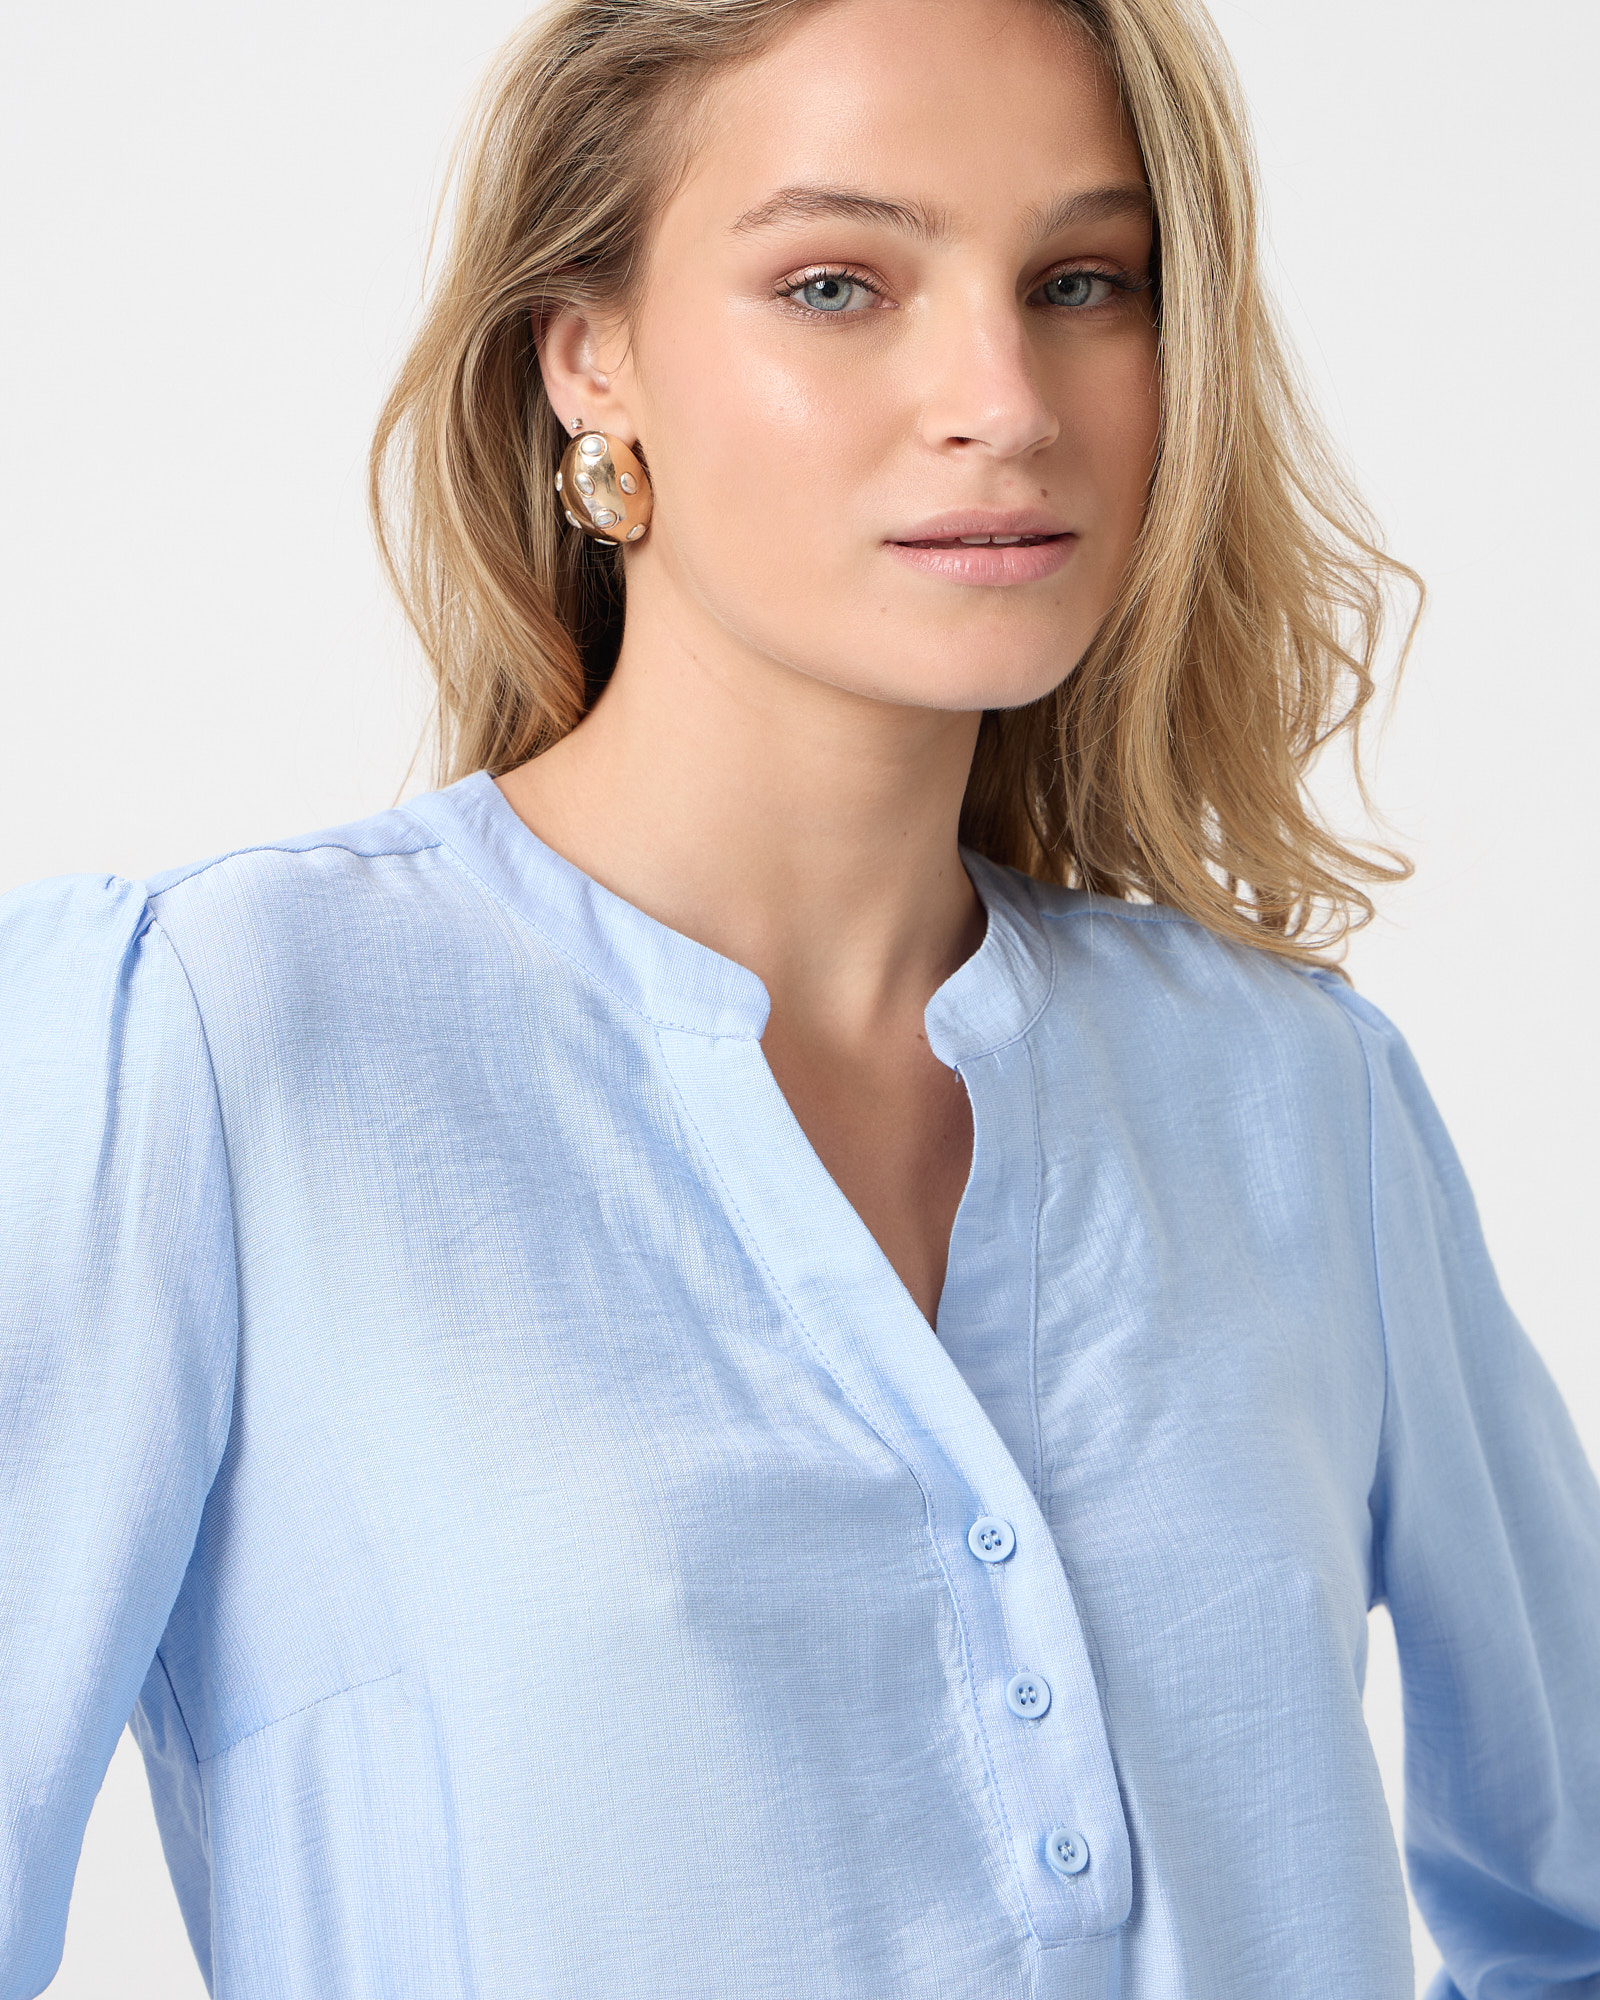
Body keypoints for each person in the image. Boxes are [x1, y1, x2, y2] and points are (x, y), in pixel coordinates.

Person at [2, 0, 1597, 1993]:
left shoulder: (1294, 1096)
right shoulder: (211, 1045)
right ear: (587, 357)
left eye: (1082, 283)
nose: (1001, 399)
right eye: (836, 283)